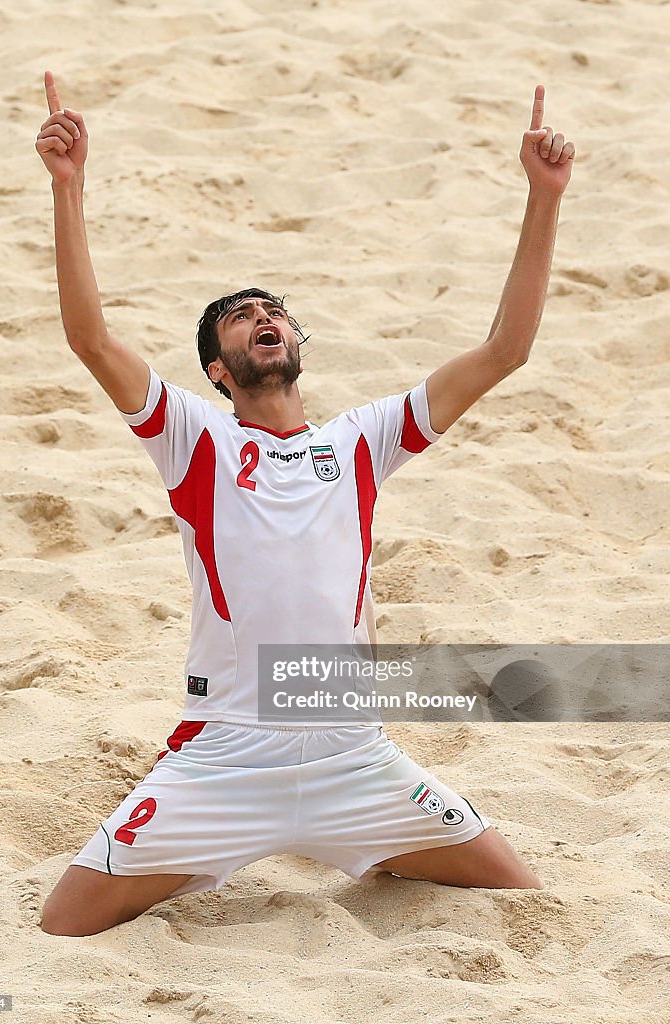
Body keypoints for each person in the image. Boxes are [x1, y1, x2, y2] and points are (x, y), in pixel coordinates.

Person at [35, 71, 574, 937]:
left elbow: (505, 349)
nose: (262, 317)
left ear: (293, 343)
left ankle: (362, 840)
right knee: (64, 923)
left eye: (273, 311)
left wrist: (543, 197)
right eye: (241, 317)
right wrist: (70, 187)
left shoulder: (362, 440)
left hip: (350, 755)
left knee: (521, 896)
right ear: (217, 369)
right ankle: (222, 850)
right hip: (225, 756)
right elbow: (89, 337)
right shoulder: (194, 439)